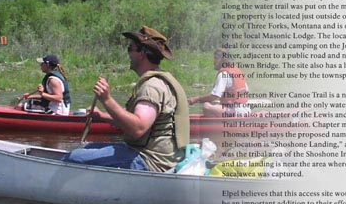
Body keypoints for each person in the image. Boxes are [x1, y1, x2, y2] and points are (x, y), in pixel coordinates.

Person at [63, 26, 190, 172]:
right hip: (153, 156)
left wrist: (107, 100)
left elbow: (138, 128)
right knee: (89, 147)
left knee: (74, 157)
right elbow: (136, 122)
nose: (128, 53)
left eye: (130, 48)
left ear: (141, 53)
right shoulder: (157, 81)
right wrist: (102, 116)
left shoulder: (152, 87)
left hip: (149, 161)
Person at [188, 47, 251, 117]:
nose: (214, 61)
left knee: (207, 106)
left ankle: (213, 125)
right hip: (245, 110)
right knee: (215, 105)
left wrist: (195, 99)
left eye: (216, 58)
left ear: (223, 60)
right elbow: (246, 91)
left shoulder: (223, 74)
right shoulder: (236, 70)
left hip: (236, 112)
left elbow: (214, 96)